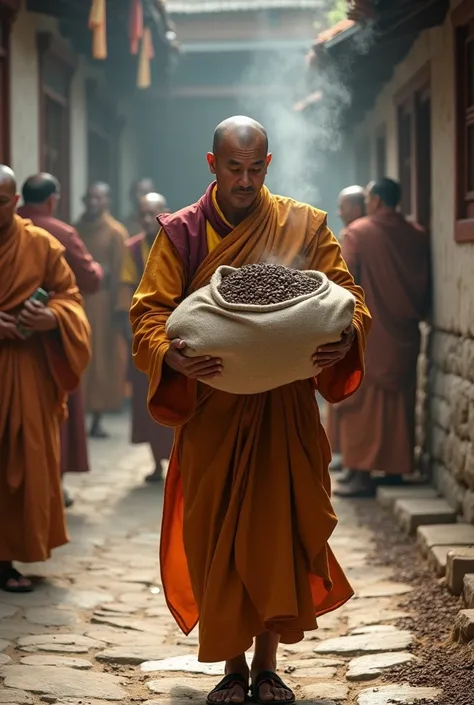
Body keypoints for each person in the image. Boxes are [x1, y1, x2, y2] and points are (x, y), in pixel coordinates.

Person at [130, 116, 371, 705]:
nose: (244, 180)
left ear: (269, 163)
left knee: (280, 530)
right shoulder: (183, 234)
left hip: (283, 405)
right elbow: (148, 314)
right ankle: (232, 668)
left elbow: (349, 298)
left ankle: (267, 666)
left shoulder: (303, 223)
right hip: (212, 407)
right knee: (214, 535)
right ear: (212, 165)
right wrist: (171, 357)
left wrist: (346, 338)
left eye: (255, 168)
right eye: (233, 168)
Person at [0, 165, 91, 592]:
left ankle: (6, 558)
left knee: (22, 461)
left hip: (25, 370)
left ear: (16, 201)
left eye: (1, 202)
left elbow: (69, 296)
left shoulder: (40, 243)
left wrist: (51, 317)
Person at [334, 178, 430, 498]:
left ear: (374, 200)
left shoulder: (359, 233)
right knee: (398, 401)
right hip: (404, 332)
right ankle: (394, 469)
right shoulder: (417, 235)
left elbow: (344, 282)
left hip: (372, 332)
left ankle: (361, 474)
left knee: (364, 402)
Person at [18, 173, 103, 508]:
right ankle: (55, 483)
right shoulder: (61, 233)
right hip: (51, 341)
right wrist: (95, 269)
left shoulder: (12, 228)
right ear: (53, 199)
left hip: (13, 335)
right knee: (59, 411)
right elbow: (89, 279)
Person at [120, 192, 174, 483]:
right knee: (147, 400)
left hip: (177, 332)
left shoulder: (180, 241)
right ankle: (156, 463)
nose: (146, 219)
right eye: (141, 213)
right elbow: (126, 290)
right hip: (145, 335)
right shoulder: (133, 249)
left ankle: (181, 460)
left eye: (151, 213)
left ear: (165, 212)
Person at [75, 182, 128, 438]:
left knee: (101, 361)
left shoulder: (116, 232)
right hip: (77, 301)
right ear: (84, 199)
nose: (94, 202)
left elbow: (121, 275)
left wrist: (120, 309)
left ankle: (96, 416)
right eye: (91, 197)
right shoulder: (75, 230)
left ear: (107, 201)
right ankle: (76, 416)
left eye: (100, 197)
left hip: (104, 305)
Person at [327, 185, 366, 474]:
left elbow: (343, 284)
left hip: (359, 323)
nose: (339, 211)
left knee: (353, 392)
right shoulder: (410, 231)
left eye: (344, 206)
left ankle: (355, 464)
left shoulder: (355, 236)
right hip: (394, 328)